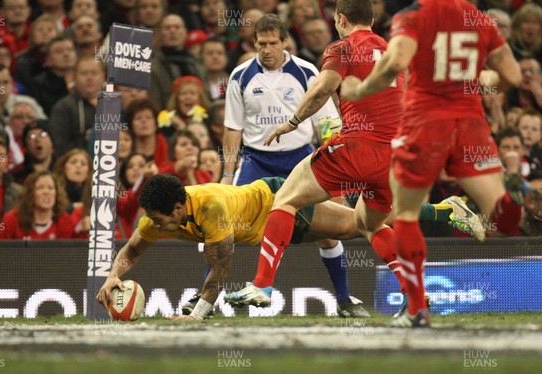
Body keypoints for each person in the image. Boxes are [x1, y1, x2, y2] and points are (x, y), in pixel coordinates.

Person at [223, 0, 487, 327]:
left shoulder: (343, 47)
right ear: (373, 19)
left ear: (340, 19)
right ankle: (415, 297)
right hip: (396, 157)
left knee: (286, 200)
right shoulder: (397, 50)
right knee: (369, 224)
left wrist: (291, 122)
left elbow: (322, 89)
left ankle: (261, 285)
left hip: (357, 147)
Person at [339, 0, 523, 327]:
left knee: (407, 214)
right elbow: (512, 75)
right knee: (500, 218)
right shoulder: (479, 19)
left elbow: (395, 62)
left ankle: (416, 309)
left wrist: (360, 88)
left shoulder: (412, 16)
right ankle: (516, 201)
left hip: (423, 124)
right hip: (470, 123)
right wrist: (473, 82)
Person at [96, 174, 370, 320]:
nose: (153, 226)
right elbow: (131, 251)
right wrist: (113, 276)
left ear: (178, 209)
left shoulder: (210, 207)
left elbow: (222, 267)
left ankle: (401, 213)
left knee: (357, 226)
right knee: (344, 230)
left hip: (277, 203)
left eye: (158, 220)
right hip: (264, 231)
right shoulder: (153, 221)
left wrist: (198, 316)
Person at [222, 14, 339, 187]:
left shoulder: (306, 72)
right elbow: (233, 127)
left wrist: (335, 164)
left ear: (285, 42)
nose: (267, 50)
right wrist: (227, 174)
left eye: (273, 43)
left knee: (316, 210)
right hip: (255, 161)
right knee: (239, 210)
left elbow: (327, 121)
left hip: (299, 158)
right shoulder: (239, 76)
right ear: (254, 42)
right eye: (262, 43)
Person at [49, 55, 104, 157]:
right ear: (74, 78)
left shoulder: (115, 105)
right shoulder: (63, 108)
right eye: (84, 73)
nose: (89, 78)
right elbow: (60, 146)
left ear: (103, 76)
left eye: (94, 73)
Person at [0, 170, 74, 239]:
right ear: (30, 193)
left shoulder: (64, 220)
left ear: (56, 193)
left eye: (50, 188)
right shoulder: (11, 219)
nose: (46, 192)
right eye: (40, 188)